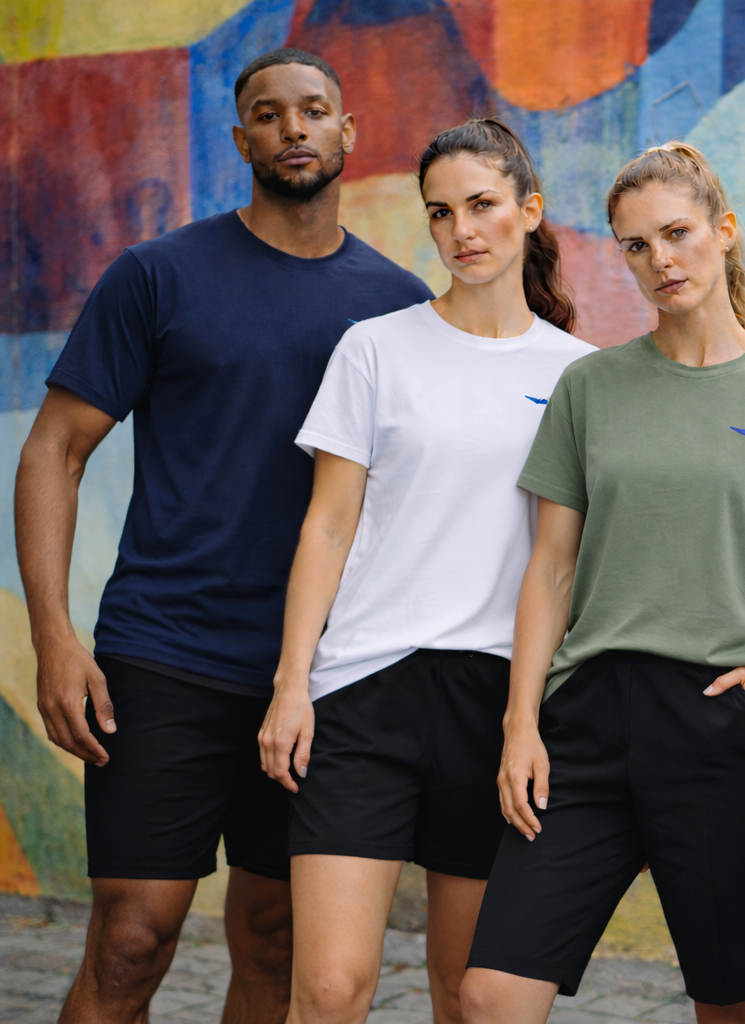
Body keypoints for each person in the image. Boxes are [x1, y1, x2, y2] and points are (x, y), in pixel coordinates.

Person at [13, 48, 433, 1024]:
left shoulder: (403, 308)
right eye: (270, 114)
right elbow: (53, 455)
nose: (294, 128)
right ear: (240, 138)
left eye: (314, 109)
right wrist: (54, 638)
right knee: (132, 933)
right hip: (165, 653)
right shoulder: (158, 276)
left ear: (348, 133)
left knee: (277, 936)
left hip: (322, 672)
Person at [457, 142, 745, 1024]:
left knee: (730, 1003)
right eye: (636, 246)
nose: (661, 261)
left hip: (724, 716)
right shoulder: (589, 386)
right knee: (491, 995)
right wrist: (521, 722)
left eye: (677, 234)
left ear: (723, 233)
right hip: (588, 722)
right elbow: (551, 568)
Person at [255, 117, 595, 1024]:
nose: (462, 231)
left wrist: (533, 718)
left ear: (528, 211)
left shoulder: (584, 378)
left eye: (482, 206)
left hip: (499, 704)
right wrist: (294, 684)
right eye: (440, 213)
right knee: (327, 990)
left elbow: (567, 565)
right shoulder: (377, 348)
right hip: (363, 690)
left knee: (464, 994)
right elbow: (326, 526)